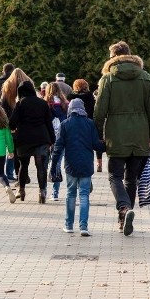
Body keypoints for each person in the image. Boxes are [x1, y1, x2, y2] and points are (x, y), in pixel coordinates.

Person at [93, 41, 150, 237]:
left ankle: (123, 209)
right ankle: (125, 217)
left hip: (116, 134)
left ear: (112, 57)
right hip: (140, 134)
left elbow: (99, 111)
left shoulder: (108, 79)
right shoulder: (145, 77)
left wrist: (97, 135)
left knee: (114, 175)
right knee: (131, 178)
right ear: (130, 55)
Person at [51, 98, 105, 236]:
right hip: (86, 164)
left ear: (70, 109)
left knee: (71, 194)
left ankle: (69, 225)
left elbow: (58, 147)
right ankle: (84, 226)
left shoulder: (65, 124)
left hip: (71, 164)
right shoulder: (90, 124)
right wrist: (108, 145)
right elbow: (96, 144)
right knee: (84, 195)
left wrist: (53, 165)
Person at [9, 80, 55, 203]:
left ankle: (22, 190)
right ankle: (42, 191)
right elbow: (49, 123)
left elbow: (12, 123)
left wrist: (15, 128)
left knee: (23, 165)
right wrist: (52, 139)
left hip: (24, 139)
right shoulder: (43, 103)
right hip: (42, 137)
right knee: (40, 166)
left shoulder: (20, 104)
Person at [0, 68, 34, 182]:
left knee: (14, 151)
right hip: (26, 124)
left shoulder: (7, 87)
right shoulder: (28, 83)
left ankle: (19, 175)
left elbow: (3, 105)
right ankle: (25, 172)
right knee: (25, 151)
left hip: (12, 124)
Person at [67, 78, 101, 172]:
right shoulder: (90, 98)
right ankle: (98, 163)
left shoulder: (70, 98)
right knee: (90, 146)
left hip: (74, 125)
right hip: (88, 124)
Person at [44, 82, 68, 201]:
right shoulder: (65, 104)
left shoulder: (46, 104)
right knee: (57, 163)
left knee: (44, 164)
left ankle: (43, 190)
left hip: (48, 137)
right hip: (61, 137)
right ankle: (55, 193)